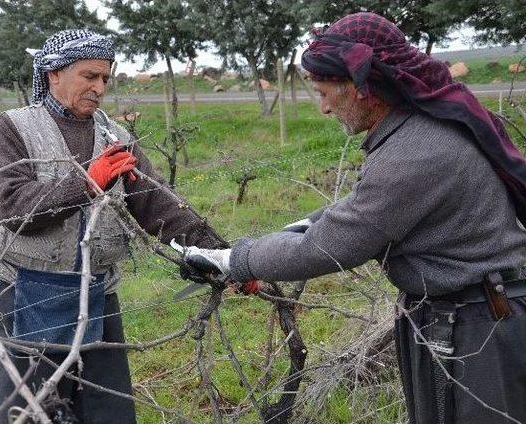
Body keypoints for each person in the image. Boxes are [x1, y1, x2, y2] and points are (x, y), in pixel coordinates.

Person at [180, 13, 526, 424]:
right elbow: (357, 209)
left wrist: (232, 260)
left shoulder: (414, 152)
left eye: (326, 93)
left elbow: (331, 246)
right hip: (470, 313)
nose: (323, 108)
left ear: (362, 88)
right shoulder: (418, 128)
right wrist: (291, 231)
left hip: (478, 328)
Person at [0, 29, 226, 423]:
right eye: (89, 76)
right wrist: (86, 184)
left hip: (96, 288)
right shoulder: (13, 127)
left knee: (105, 408)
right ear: (53, 74)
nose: (99, 87)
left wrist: (225, 258)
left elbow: (158, 206)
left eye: (105, 79)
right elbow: (11, 208)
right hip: (26, 287)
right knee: (22, 407)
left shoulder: (116, 137)